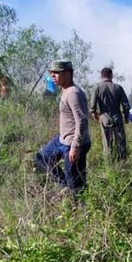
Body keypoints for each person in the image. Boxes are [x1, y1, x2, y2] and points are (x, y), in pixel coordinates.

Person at [34, 61, 91, 193]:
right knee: (42, 157)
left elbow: (82, 121)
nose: (52, 76)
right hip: (62, 140)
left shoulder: (73, 93)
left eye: (56, 73)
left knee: (77, 184)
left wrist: (75, 146)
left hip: (73, 143)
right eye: (51, 73)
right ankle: (65, 184)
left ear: (68, 74)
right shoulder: (66, 91)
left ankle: (80, 206)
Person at [90, 67, 130, 160]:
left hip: (105, 120)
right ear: (111, 75)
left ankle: (109, 165)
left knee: (107, 144)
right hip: (118, 119)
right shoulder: (118, 87)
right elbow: (126, 105)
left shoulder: (97, 88)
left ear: (101, 76)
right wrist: (126, 117)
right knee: (121, 143)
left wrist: (97, 118)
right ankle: (122, 163)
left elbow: (92, 108)